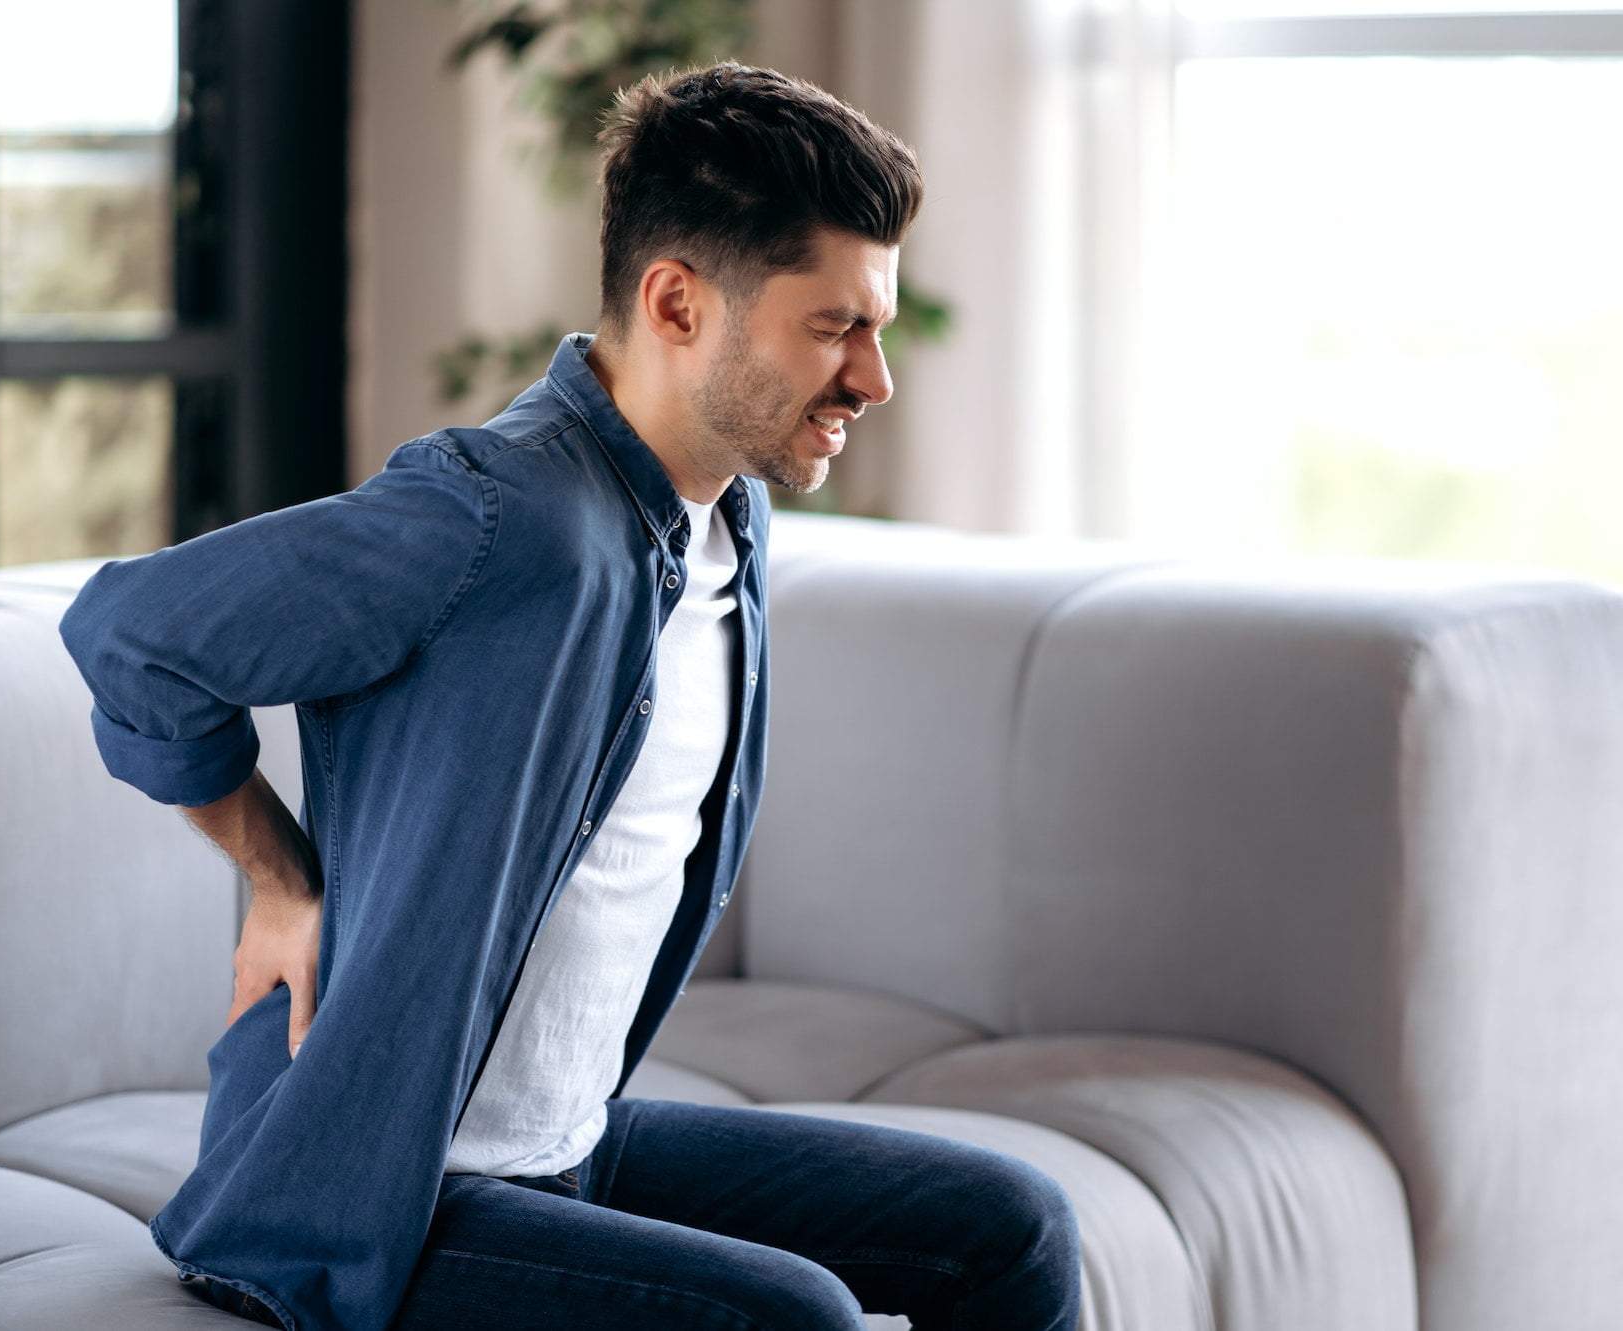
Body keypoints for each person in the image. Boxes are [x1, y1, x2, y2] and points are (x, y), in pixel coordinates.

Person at [60, 61, 1081, 1331]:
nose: (873, 379)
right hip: (370, 1189)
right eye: (832, 327)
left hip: (566, 1148)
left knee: (1011, 1229)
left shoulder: (730, 519)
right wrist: (282, 877)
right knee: (792, 1319)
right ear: (675, 303)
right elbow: (132, 633)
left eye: (871, 326)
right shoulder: (498, 512)